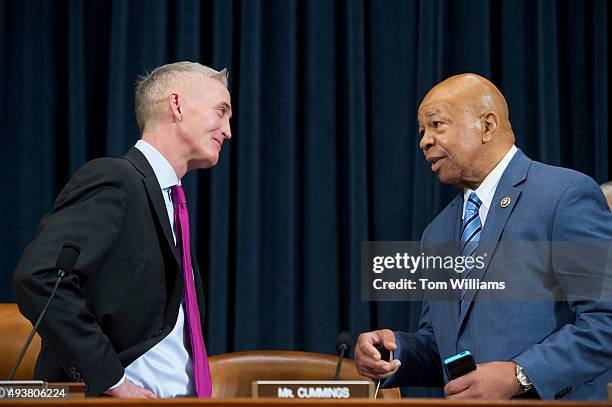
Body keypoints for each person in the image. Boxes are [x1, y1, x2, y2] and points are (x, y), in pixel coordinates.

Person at [354, 74, 612, 400]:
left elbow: (605, 320)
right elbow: (443, 345)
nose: (424, 141)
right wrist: (393, 352)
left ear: (487, 126)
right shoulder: (437, 232)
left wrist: (520, 374)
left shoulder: (564, 196)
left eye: (437, 125)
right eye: (422, 131)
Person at [12, 61, 232, 398]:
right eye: (221, 111)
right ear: (177, 105)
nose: (228, 130)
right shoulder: (116, 179)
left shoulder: (172, 203)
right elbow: (40, 276)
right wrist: (112, 381)